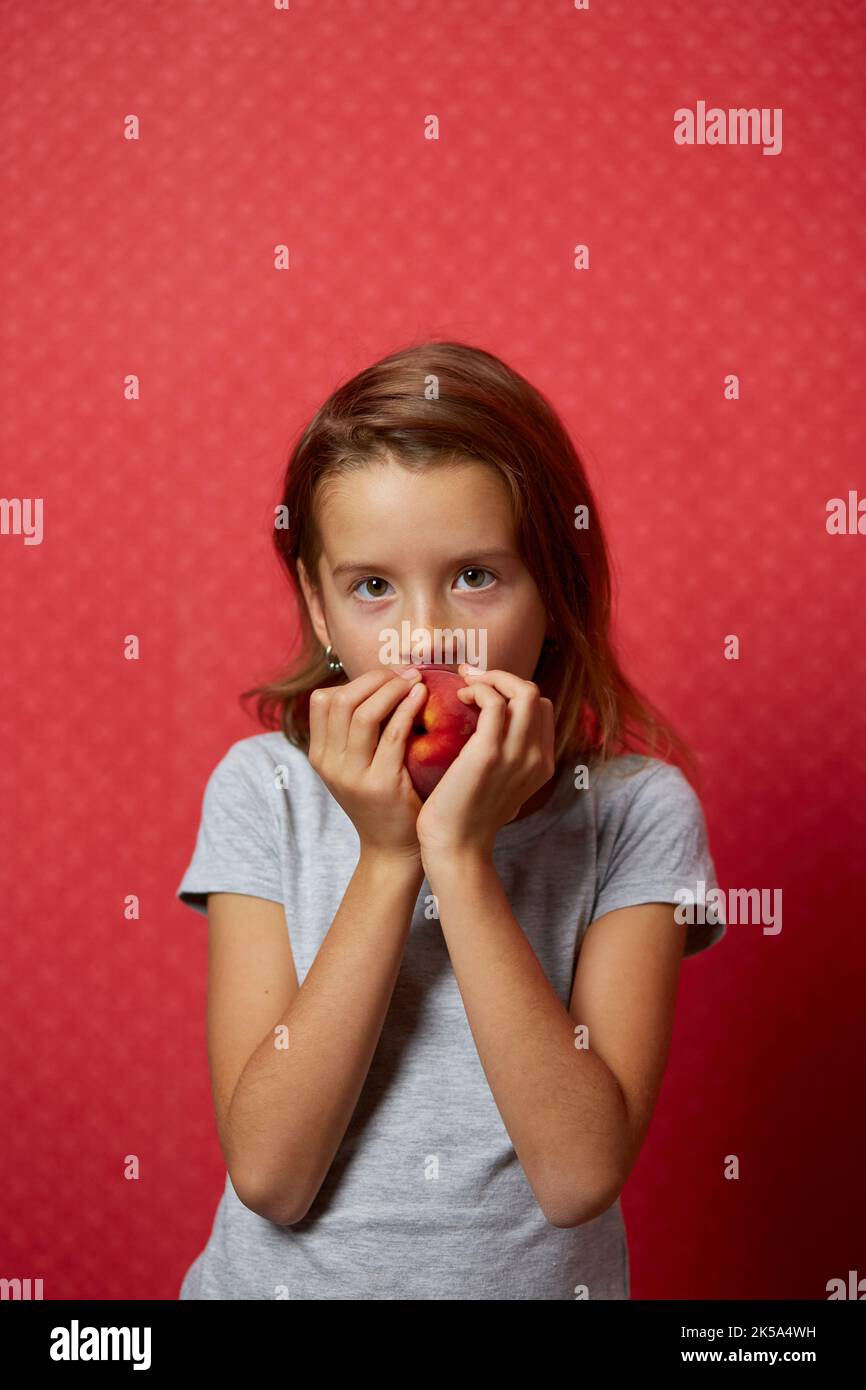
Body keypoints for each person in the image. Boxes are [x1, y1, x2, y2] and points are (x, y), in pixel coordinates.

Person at [175, 340, 726, 1300]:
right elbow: (270, 1173)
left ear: (555, 591)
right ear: (318, 602)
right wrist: (389, 859)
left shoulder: (638, 814)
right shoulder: (262, 790)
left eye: (475, 575)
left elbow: (577, 1175)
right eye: (373, 587)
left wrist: (459, 857)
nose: (426, 635)